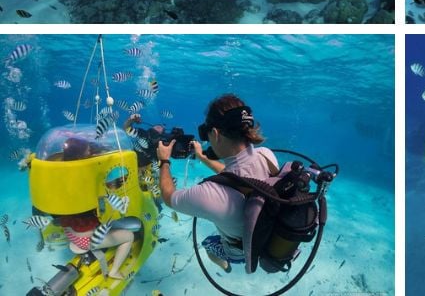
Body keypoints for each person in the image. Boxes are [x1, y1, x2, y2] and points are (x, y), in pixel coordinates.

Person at [156, 94, 279, 273]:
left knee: (208, 245)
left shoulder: (208, 194)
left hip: (242, 250)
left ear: (215, 133)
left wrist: (164, 161)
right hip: (269, 236)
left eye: (208, 135)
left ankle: (225, 264)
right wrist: (202, 157)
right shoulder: (265, 155)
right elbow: (236, 177)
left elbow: (168, 197)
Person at [55, 137, 135, 280]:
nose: (91, 153)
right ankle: (114, 271)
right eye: (88, 152)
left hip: (70, 234)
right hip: (88, 239)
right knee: (129, 236)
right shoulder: (86, 180)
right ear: (81, 156)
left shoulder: (62, 175)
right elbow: (104, 202)